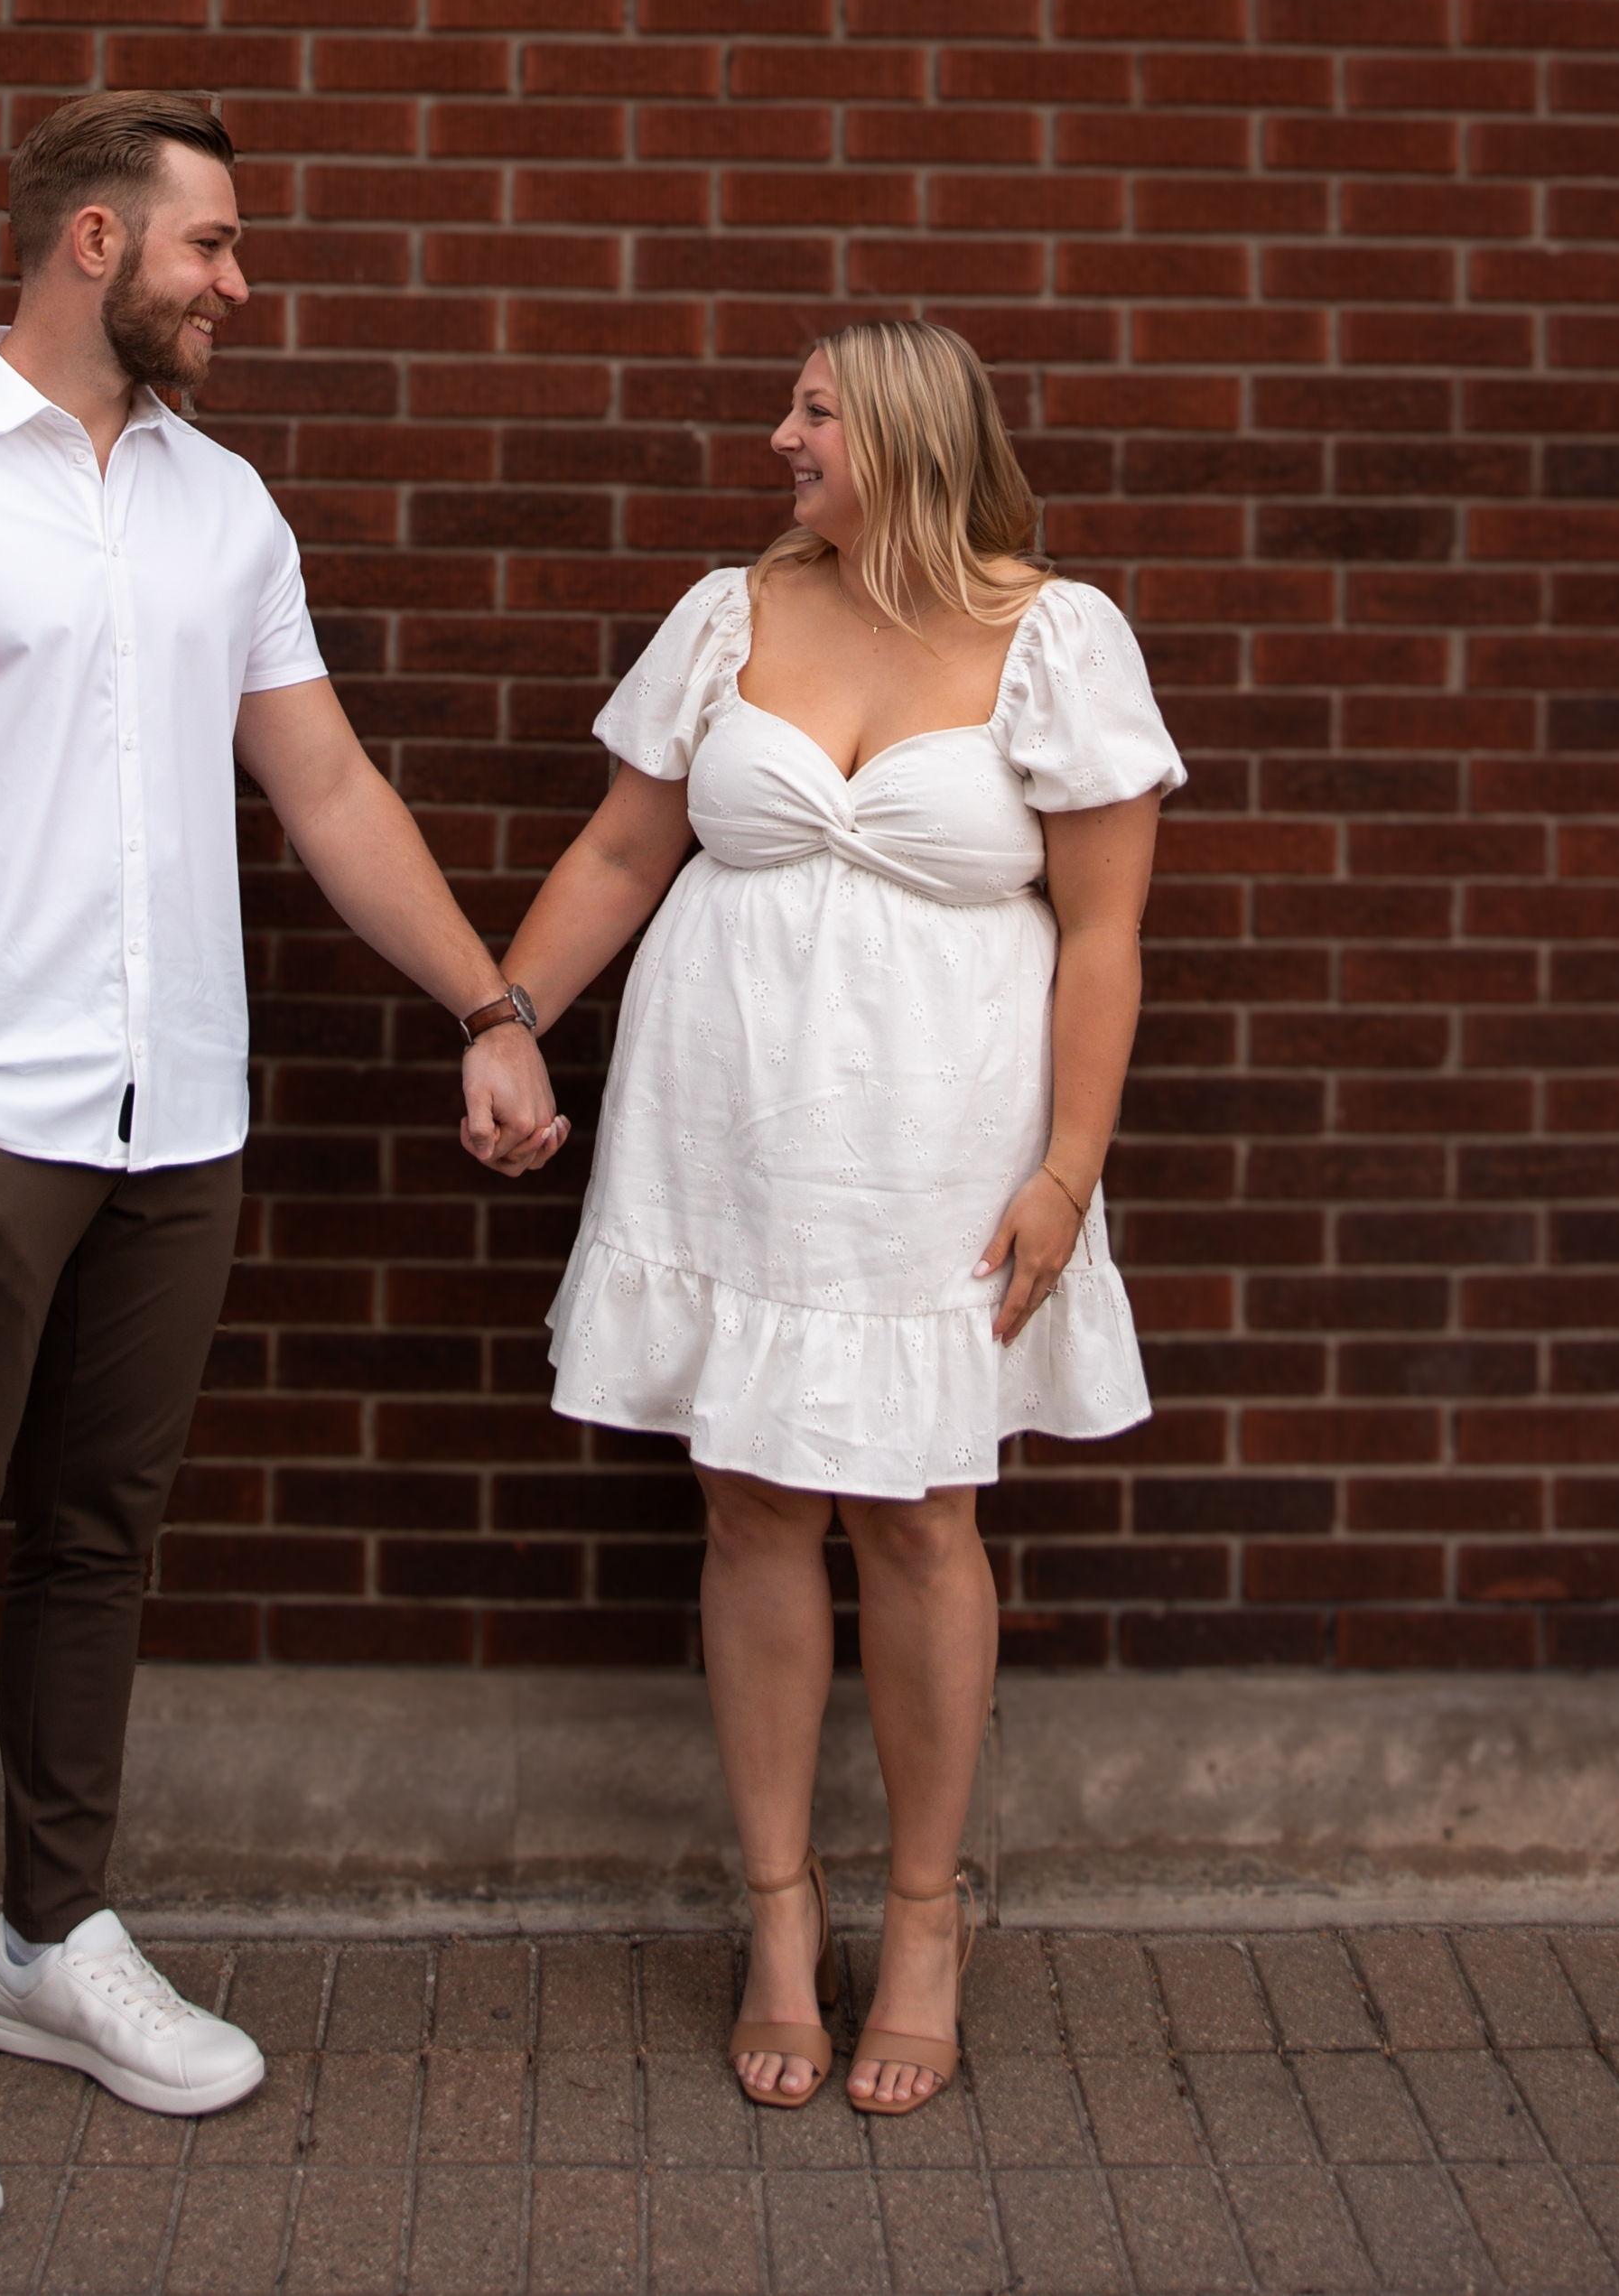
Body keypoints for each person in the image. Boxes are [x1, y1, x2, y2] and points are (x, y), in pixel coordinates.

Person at [0, 89, 562, 2244]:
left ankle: (46, 1944)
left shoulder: (223, 507)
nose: (240, 285)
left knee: (99, 1542)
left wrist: (487, 1003)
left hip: (177, 1118)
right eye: (213, 244)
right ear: (93, 242)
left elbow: (328, 787)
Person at [483, 316, 1180, 2116]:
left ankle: (927, 1918)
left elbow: (1105, 934)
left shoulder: (1057, 636)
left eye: (813, 412)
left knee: (922, 1513)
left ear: (906, 436)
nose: (779, 437)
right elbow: (624, 849)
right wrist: (508, 1016)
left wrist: (1069, 1169)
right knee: (752, 1499)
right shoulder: (731, 614)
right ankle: (780, 1915)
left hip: (942, 1148)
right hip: (730, 1129)